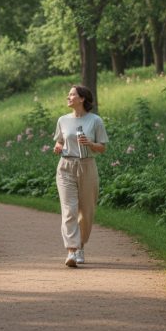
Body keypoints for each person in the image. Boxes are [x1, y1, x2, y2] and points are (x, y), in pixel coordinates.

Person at [52, 85, 109, 267]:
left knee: (86, 213)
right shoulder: (62, 120)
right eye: (68, 94)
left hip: (87, 167)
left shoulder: (95, 121)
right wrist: (59, 146)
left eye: (72, 94)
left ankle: (81, 246)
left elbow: (102, 148)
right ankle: (71, 251)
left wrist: (90, 143)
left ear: (82, 99)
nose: (68, 97)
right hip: (66, 167)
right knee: (69, 210)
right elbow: (60, 140)